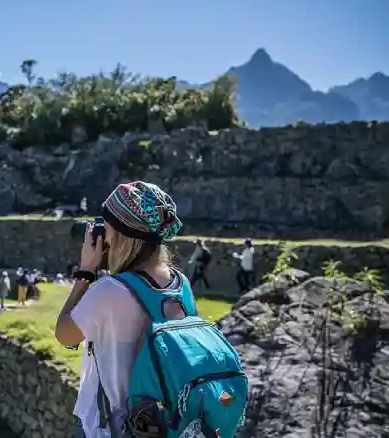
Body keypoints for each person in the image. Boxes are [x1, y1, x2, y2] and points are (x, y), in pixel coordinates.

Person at [54, 181, 247, 438]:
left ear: (123, 237)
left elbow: (65, 334)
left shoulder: (109, 290)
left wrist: (85, 272)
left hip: (118, 429)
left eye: (107, 228)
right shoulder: (180, 284)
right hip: (166, 425)